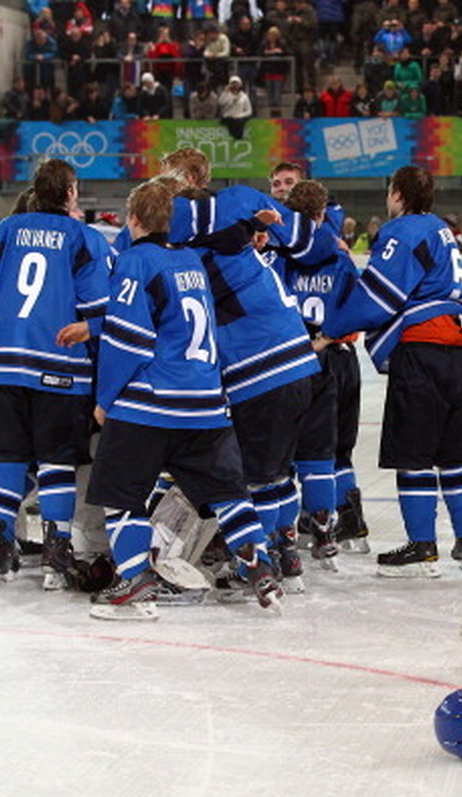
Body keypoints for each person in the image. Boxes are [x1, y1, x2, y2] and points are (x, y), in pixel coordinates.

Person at [86, 178, 283, 618]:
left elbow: (126, 342)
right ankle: (261, 566)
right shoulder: (192, 259)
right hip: (206, 403)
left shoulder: (136, 261)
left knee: (121, 495)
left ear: (133, 219)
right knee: (230, 495)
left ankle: (136, 579)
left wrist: (104, 399)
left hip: (151, 403)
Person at [161, 147, 320, 594]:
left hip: (259, 366)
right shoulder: (231, 220)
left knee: (253, 473)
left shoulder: (200, 225)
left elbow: (174, 224)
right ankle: (286, 551)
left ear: (191, 179)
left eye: (168, 179)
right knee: (278, 469)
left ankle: (259, 560)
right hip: (295, 358)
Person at [320, 165, 462, 577]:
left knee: (414, 452)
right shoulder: (439, 229)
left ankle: (422, 545)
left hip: (423, 352)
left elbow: (377, 297)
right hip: (459, 354)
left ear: (397, 194)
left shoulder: (402, 231)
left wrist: (330, 331)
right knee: (455, 454)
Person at [0, 158, 111, 589]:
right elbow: (99, 308)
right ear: (69, 193)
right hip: (60, 368)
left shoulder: (4, 231)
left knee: (5, 459)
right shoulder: (84, 238)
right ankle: (55, 552)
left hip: (4, 367)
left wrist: (8, 321)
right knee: (56, 463)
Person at [275, 179, 369, 559]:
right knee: (326, 450)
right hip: (332, 357)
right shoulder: (340, 256)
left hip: (289, 362)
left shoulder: (278, 255)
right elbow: (359, 307)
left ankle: (282, 538)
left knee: (279, 455)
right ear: (322, 214)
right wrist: (328, 337)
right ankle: (329, 527)